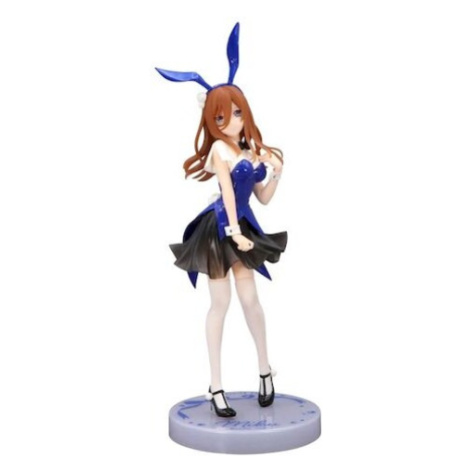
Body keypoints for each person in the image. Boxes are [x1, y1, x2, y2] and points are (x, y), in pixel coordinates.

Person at [156, 23, 287, 418]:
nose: (233, 120)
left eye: (237, 112)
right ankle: (215, 385)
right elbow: (228, 194)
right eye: (224, 116)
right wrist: (234, 233)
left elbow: (262, 198)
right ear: (213, 120)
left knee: (251, 300)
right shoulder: (219, 150)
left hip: (243, 225)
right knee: (221, 304)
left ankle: (265, 371)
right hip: (220, 230)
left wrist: (276, 172)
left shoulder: (248, 150)